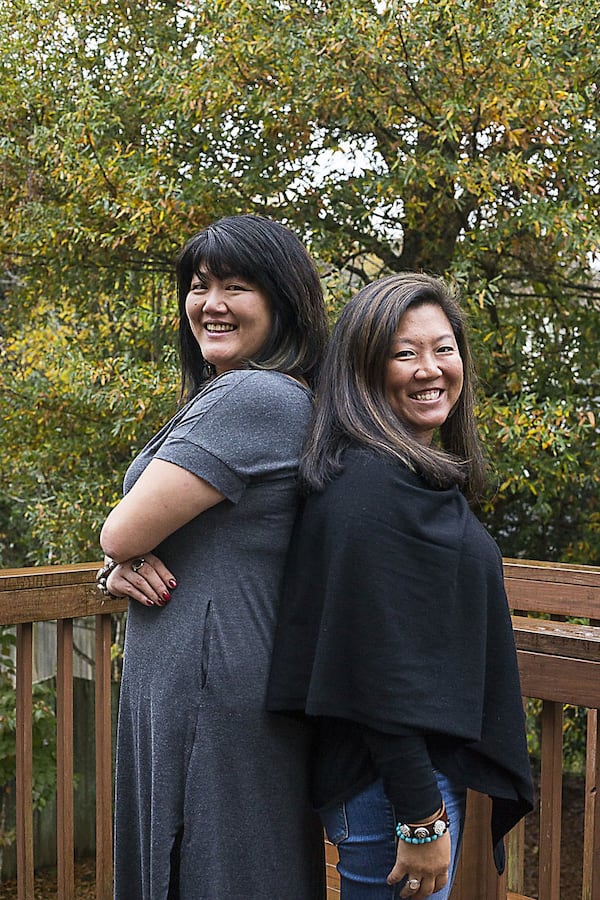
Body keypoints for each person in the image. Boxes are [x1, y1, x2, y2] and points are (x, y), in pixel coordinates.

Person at [267, 273, 534, 900]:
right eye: (403, 352)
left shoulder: (411, 479)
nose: (430, 368)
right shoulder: (368, 489)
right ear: (364, 368)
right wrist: (420, 818)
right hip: (393, 788)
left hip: (409, 780)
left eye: (443, 348)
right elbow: (373, 666)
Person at [96, 214, 330, 899]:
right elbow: (135, 540)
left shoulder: (253, 396)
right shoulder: (253, 396)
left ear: (283, 302)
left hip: (214, 688)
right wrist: (117, 565)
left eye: (237, 286)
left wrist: (118, 552)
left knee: (217, 866)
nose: (211, 303)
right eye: (199, 286)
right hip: (211, 677)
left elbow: (120, 530)